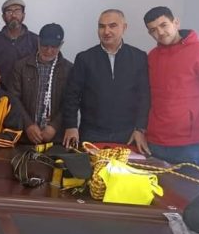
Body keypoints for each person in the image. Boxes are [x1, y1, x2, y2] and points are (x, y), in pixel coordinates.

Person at [143, 6, 199, 170]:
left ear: (176, 22)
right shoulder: (152, 56)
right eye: (153, 30)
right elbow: (149, 96)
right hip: (155, 141)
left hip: (189, 144)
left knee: (188, 186)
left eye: (164, 25)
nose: (160, 32)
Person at [62, 9, 150, 152]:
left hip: (128, 134)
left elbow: (144, 96)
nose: (106, 31)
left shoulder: (139, 57)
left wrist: (140, 129)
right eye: (101, 26)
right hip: (91, 133)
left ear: (124, 27)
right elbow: (72, 95)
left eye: (112, 26)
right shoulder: (85, 58)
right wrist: (71, 126)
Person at [10, 23, 73, 144]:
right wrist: (28, 125)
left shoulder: (69, 69)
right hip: (23, 137)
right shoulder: (21, 66)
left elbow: (70, 102)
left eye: (54, 46)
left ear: (61, 44)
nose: (48, 51)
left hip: (56, 139)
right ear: (38, 41)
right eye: (44, 45)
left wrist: (54, 126)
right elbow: (13, 99)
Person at [0, 0, 38, 89]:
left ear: (23, 15)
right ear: (3, 17)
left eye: (17, 11)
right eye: (9, 11)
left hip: (28, 93)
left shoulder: (35, 41)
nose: (13, 15)